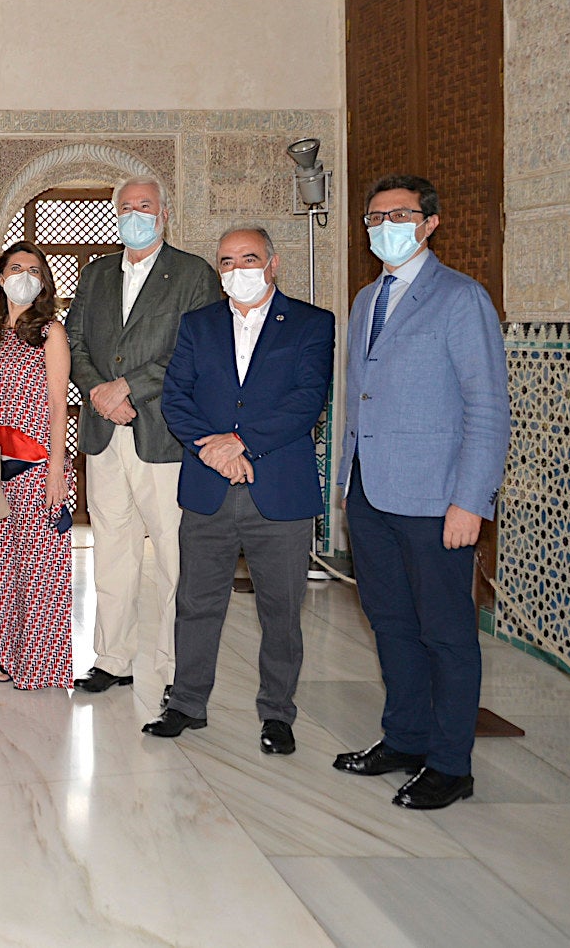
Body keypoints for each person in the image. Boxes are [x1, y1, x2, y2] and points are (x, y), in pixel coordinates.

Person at [332, 175, 510, 811]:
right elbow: (361, 396)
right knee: (390, 624)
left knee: (446, 633)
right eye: (375, 218)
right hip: (370, 496)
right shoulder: (365, 300)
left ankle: (451, 764)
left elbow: (487, 407)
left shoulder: (461, 298)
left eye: (401, 216)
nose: (386, 227)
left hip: (437, 500)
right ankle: (404, 739)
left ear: (430, 223)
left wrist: (471, 501)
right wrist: (347, 484)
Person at [143, 227, 334, 754]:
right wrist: (213, 450)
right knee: (196, 603)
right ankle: (186, 703)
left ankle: (277, 713)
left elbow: (306, 401)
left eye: (248, 259)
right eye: (226, 261)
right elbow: (176, 396)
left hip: (279, 492)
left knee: (281, 611)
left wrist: (242, 443)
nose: (237, 270)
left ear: (273, 263)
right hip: (209, 487)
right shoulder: (197, 324)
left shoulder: (312, 323)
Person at [65, 174, 222, 705]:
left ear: (164, 214)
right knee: (112, 549)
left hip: (164, 435)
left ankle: (177, 666)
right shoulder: (96, 274)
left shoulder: (194, 275)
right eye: (127, 207)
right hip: (103, 434)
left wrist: (129, 386)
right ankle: (112, 659)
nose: (135, 215)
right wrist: (99, 392)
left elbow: (193, 350)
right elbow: (75, 342)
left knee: (175, 556)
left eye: (145, 206)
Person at [0, 242, 75, 691]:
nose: (24, 276)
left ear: (43, 282)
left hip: (36, 464)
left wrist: (56, 468)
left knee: (38, 569)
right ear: (1, 278)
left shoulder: (50, 332)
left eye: (34, 270)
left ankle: (38, 663)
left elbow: (58, 404)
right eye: (15, 268)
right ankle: (5, 655)